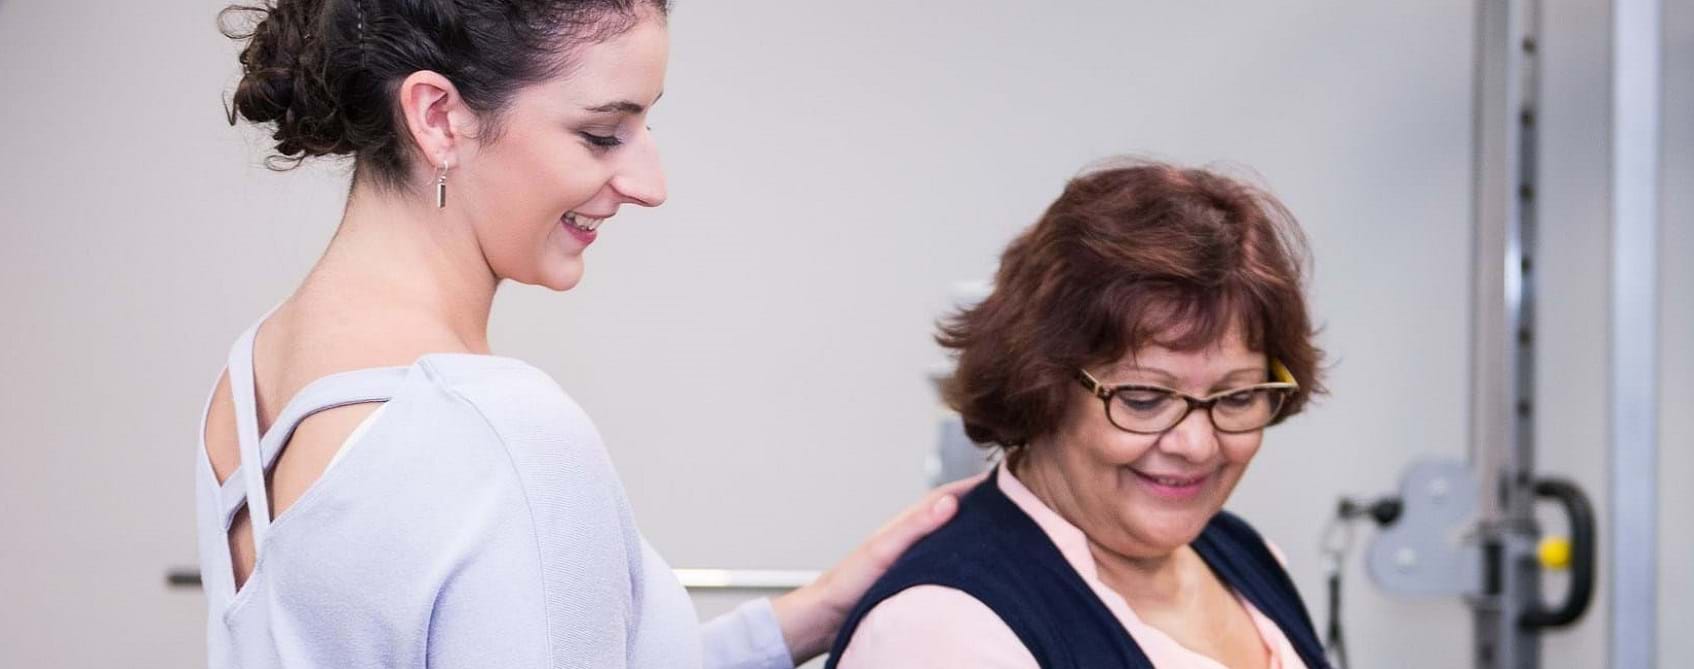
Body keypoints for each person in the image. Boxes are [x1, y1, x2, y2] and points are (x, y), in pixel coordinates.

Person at [194, 1, 964, 666]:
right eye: (602, 133)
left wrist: (811, 616)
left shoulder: (252, 374)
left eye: (645, 124)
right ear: (437, 117)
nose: (651, 185)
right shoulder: (504, 435)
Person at [828, 160, 1334, 668]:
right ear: (1041, 386)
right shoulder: (943, 630)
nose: (1198, 445)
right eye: (1144, 399)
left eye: (1237, 397)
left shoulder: (1240, 554)